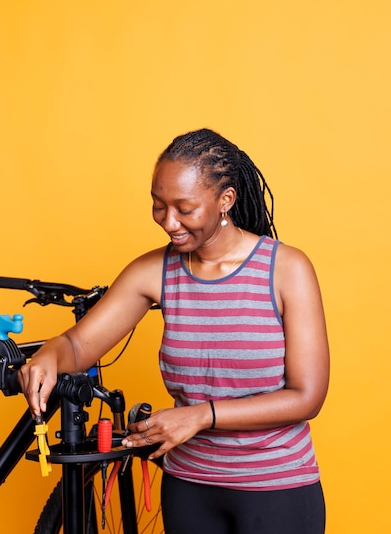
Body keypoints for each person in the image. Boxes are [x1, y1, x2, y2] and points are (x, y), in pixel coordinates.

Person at [19, 128, 329, 534]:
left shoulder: (287, 270)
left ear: (226, 200)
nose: (169, 222)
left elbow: (307, 397)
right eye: (158, 206)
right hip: (189, 489)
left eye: (185, 208)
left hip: (276, 489)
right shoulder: (154, 271)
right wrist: (48, 356)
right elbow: (78, 345)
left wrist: (200, 416)